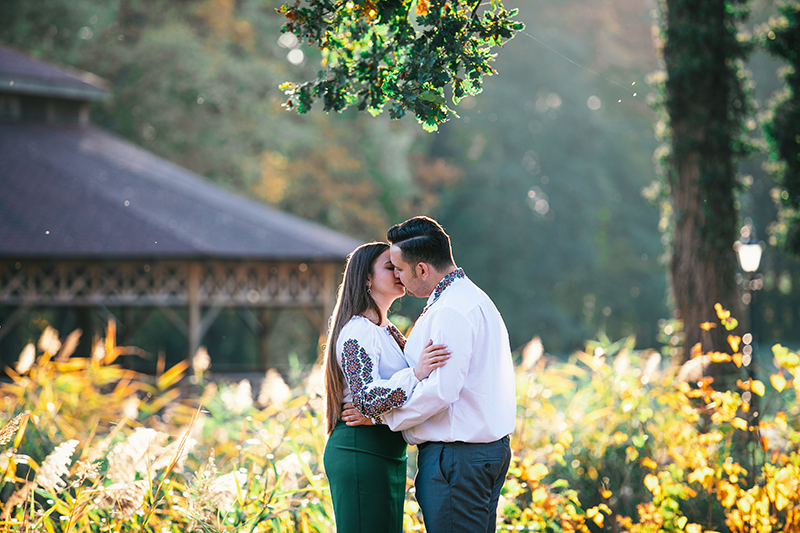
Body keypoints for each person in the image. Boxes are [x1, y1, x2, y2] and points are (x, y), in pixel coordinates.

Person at [350, 216, 517, 533]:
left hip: (456, 460)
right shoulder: (474, 298)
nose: (397, 276)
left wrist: (384, 417)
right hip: (481, 453)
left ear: (422, 269)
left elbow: (441, 391)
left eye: (399, 269)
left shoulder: (450, 311)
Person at [322, 241, 451, 533]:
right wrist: (416, 372)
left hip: (387, 454)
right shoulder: (357, 330)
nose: (398, 272)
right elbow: (365, 397)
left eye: (399, 266)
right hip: (361, 452)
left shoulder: (387, 330)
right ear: (367, 278)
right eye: (389, 267)